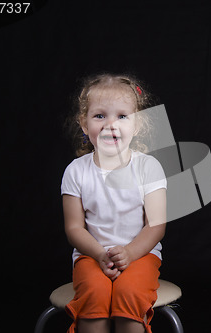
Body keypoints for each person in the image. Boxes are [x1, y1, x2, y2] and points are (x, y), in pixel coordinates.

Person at [61, 74, 167, 333]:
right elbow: (74, 228)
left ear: (137, 124)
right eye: (99, 116)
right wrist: (98, 254)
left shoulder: (148, 167)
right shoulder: (76, 171)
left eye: (122, 116)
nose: (111, 125)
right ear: (84, 125)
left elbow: (155, 226)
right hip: (91, 254)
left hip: (140, 254)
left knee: (128, 294)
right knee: (94, 296)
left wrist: (129, 253)